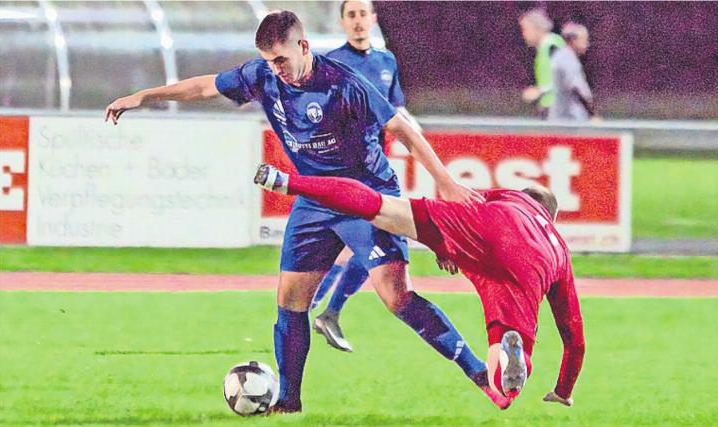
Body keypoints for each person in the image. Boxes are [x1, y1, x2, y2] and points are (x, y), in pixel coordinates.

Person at [105, 10, 507, 413]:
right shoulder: (263, 76)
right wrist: (144, 97)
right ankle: (289, 401)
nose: (275, 70)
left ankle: (478, 372)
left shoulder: (344, 84)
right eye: (268, 61)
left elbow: (402, 128)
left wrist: (446, 182)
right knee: (290, 300)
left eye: (281, 60)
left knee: (395, 296)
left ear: (303, 47)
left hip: (366, 197)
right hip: (316, 200)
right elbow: (205, 86)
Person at [255, 163, 586, 407]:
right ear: (552, 217)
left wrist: (444, 246)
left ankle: (287, 182)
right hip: (529, 268)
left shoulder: (510, 197)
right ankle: (511, 362)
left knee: (377, 206)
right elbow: (575, 338)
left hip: (485, 224)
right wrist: (564, 390)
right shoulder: (559, 249)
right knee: (504, 386)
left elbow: (461, 198)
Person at [310, 0, 422, 353]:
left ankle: (320, 311)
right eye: (351, 15)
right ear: (342, 23)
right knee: (368, 242)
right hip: (344, 170)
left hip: (377, 169)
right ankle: (317, 311)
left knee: (376, 240)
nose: (358, 22)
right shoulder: (332, 63)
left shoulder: (386, 61)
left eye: (363, 14)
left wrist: (416, 134)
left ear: (373, 19)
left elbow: (397, 108)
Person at [519, 9, 566, 118]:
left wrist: (540, 91)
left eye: (525, 29)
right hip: (551, 107)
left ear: (537, 29)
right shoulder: (544, 48)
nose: (523, 34)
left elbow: (566, 78)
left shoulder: (552, 46)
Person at [548, 23, 595, 121]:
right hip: (569, 119)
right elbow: (578, 89)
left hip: (559, 116)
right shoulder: (568, 60)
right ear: (573, 40)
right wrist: (592, 114)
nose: (587, 44)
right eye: (584, 40)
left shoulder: (560, 56)